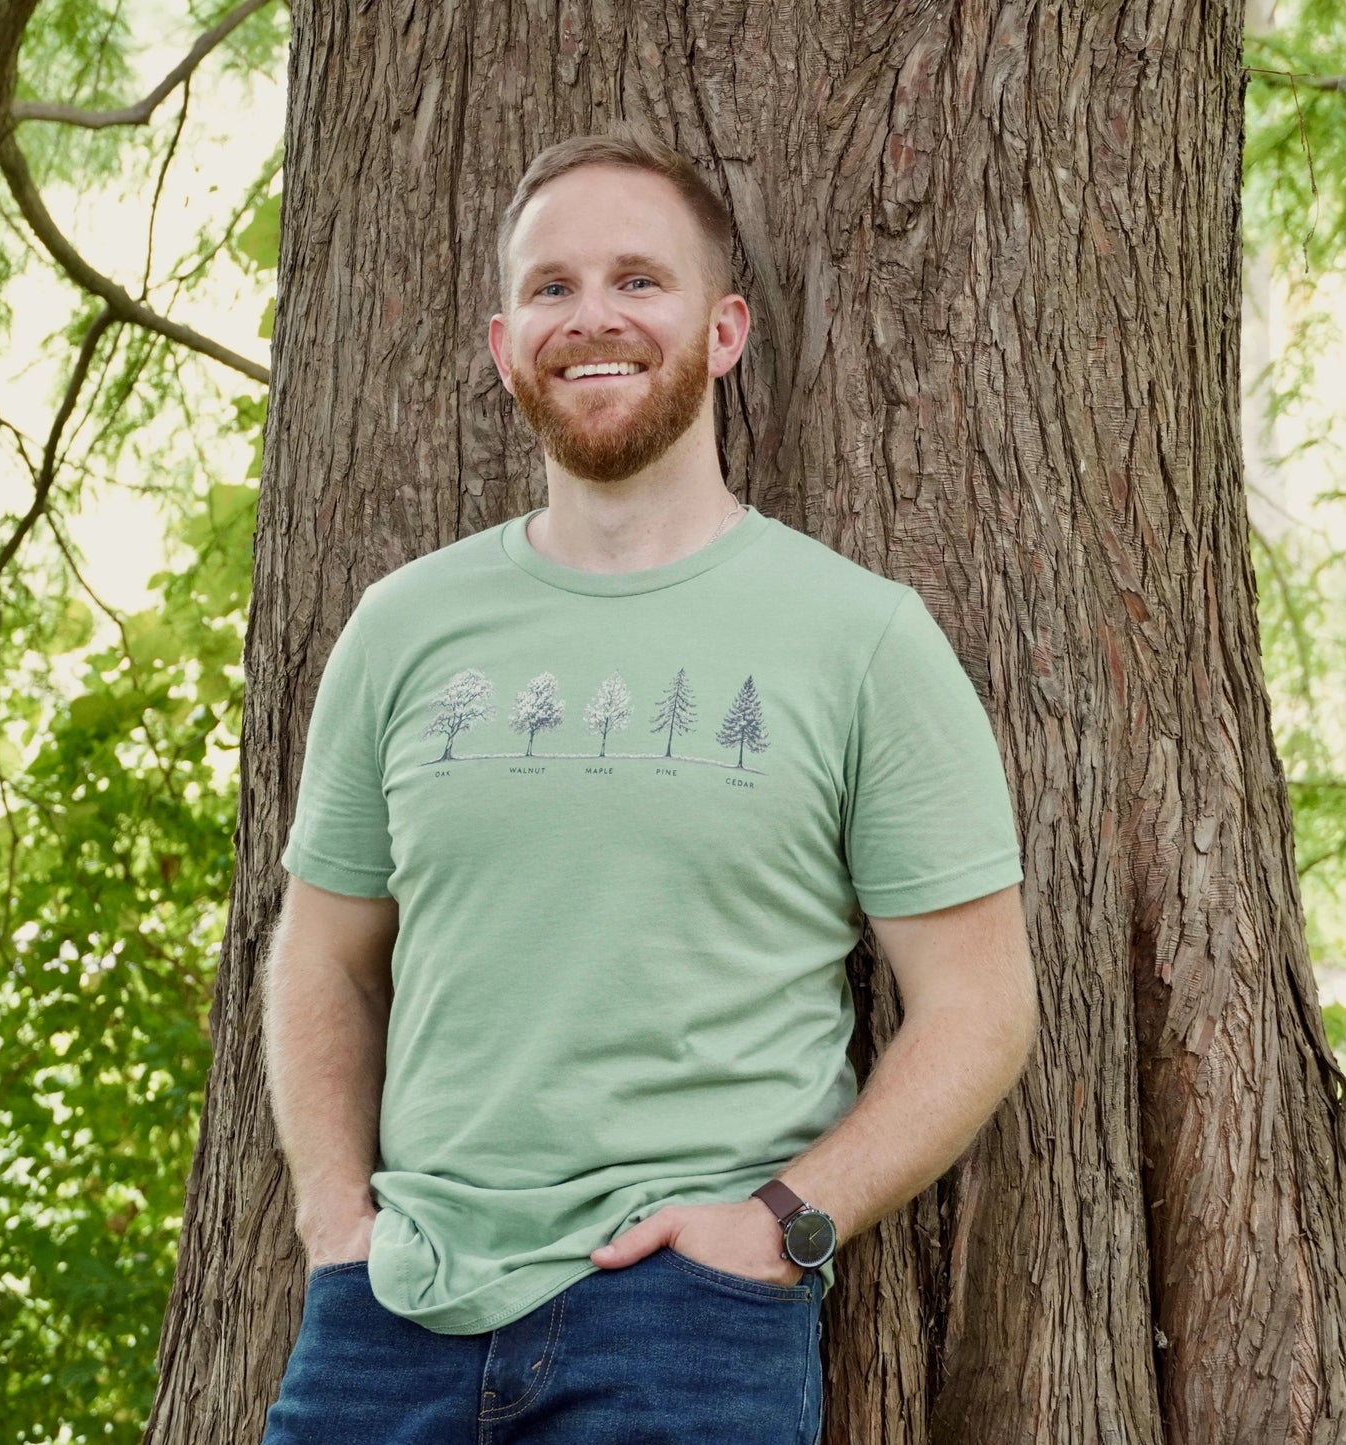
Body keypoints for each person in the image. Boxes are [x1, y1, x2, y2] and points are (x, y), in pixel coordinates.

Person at [260, 128, 1038, 1445]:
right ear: (507, 342)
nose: (593, 316)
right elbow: (321, 956)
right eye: (551, 288)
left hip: (682, 1323)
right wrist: (336, 1217)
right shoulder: (402, 629)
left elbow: (978, 1004)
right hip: (390, 1314)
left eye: (639, 279)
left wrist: (783, 1224)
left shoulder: (857, 637)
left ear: (722, 330)